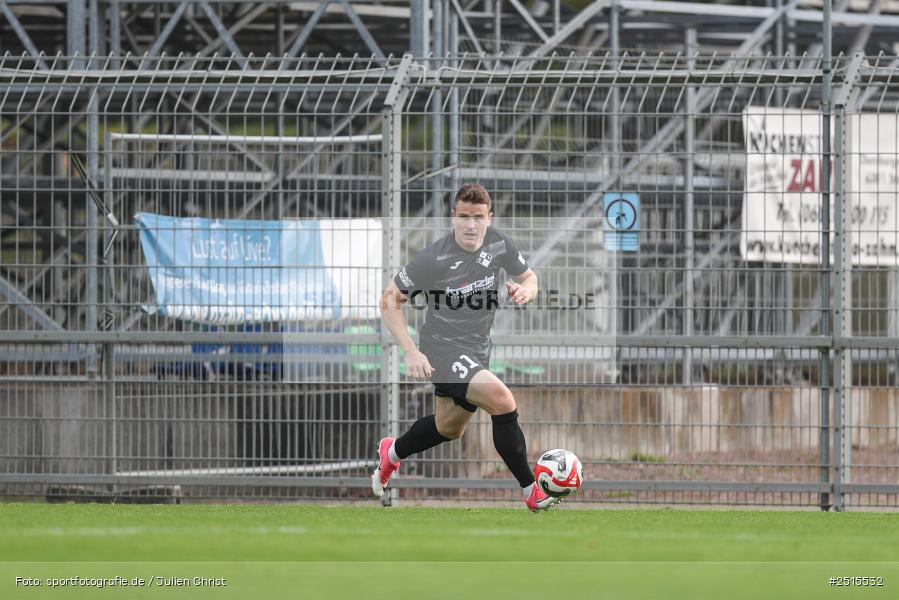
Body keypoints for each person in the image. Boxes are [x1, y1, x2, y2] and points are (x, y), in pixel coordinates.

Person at [373, 183, 558, 511]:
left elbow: (530, 278)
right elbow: (389, 300)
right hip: (442, 350)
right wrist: (410, 351)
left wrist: (527, 291)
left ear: (490, 218)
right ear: (453, 217)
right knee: (502, 400)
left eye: (478, 217)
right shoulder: (434, 257)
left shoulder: (499, 243)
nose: (471, 225)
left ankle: (392, 452)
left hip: (478, 351)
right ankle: (532, 490)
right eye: (464, 217)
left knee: (448, 428)